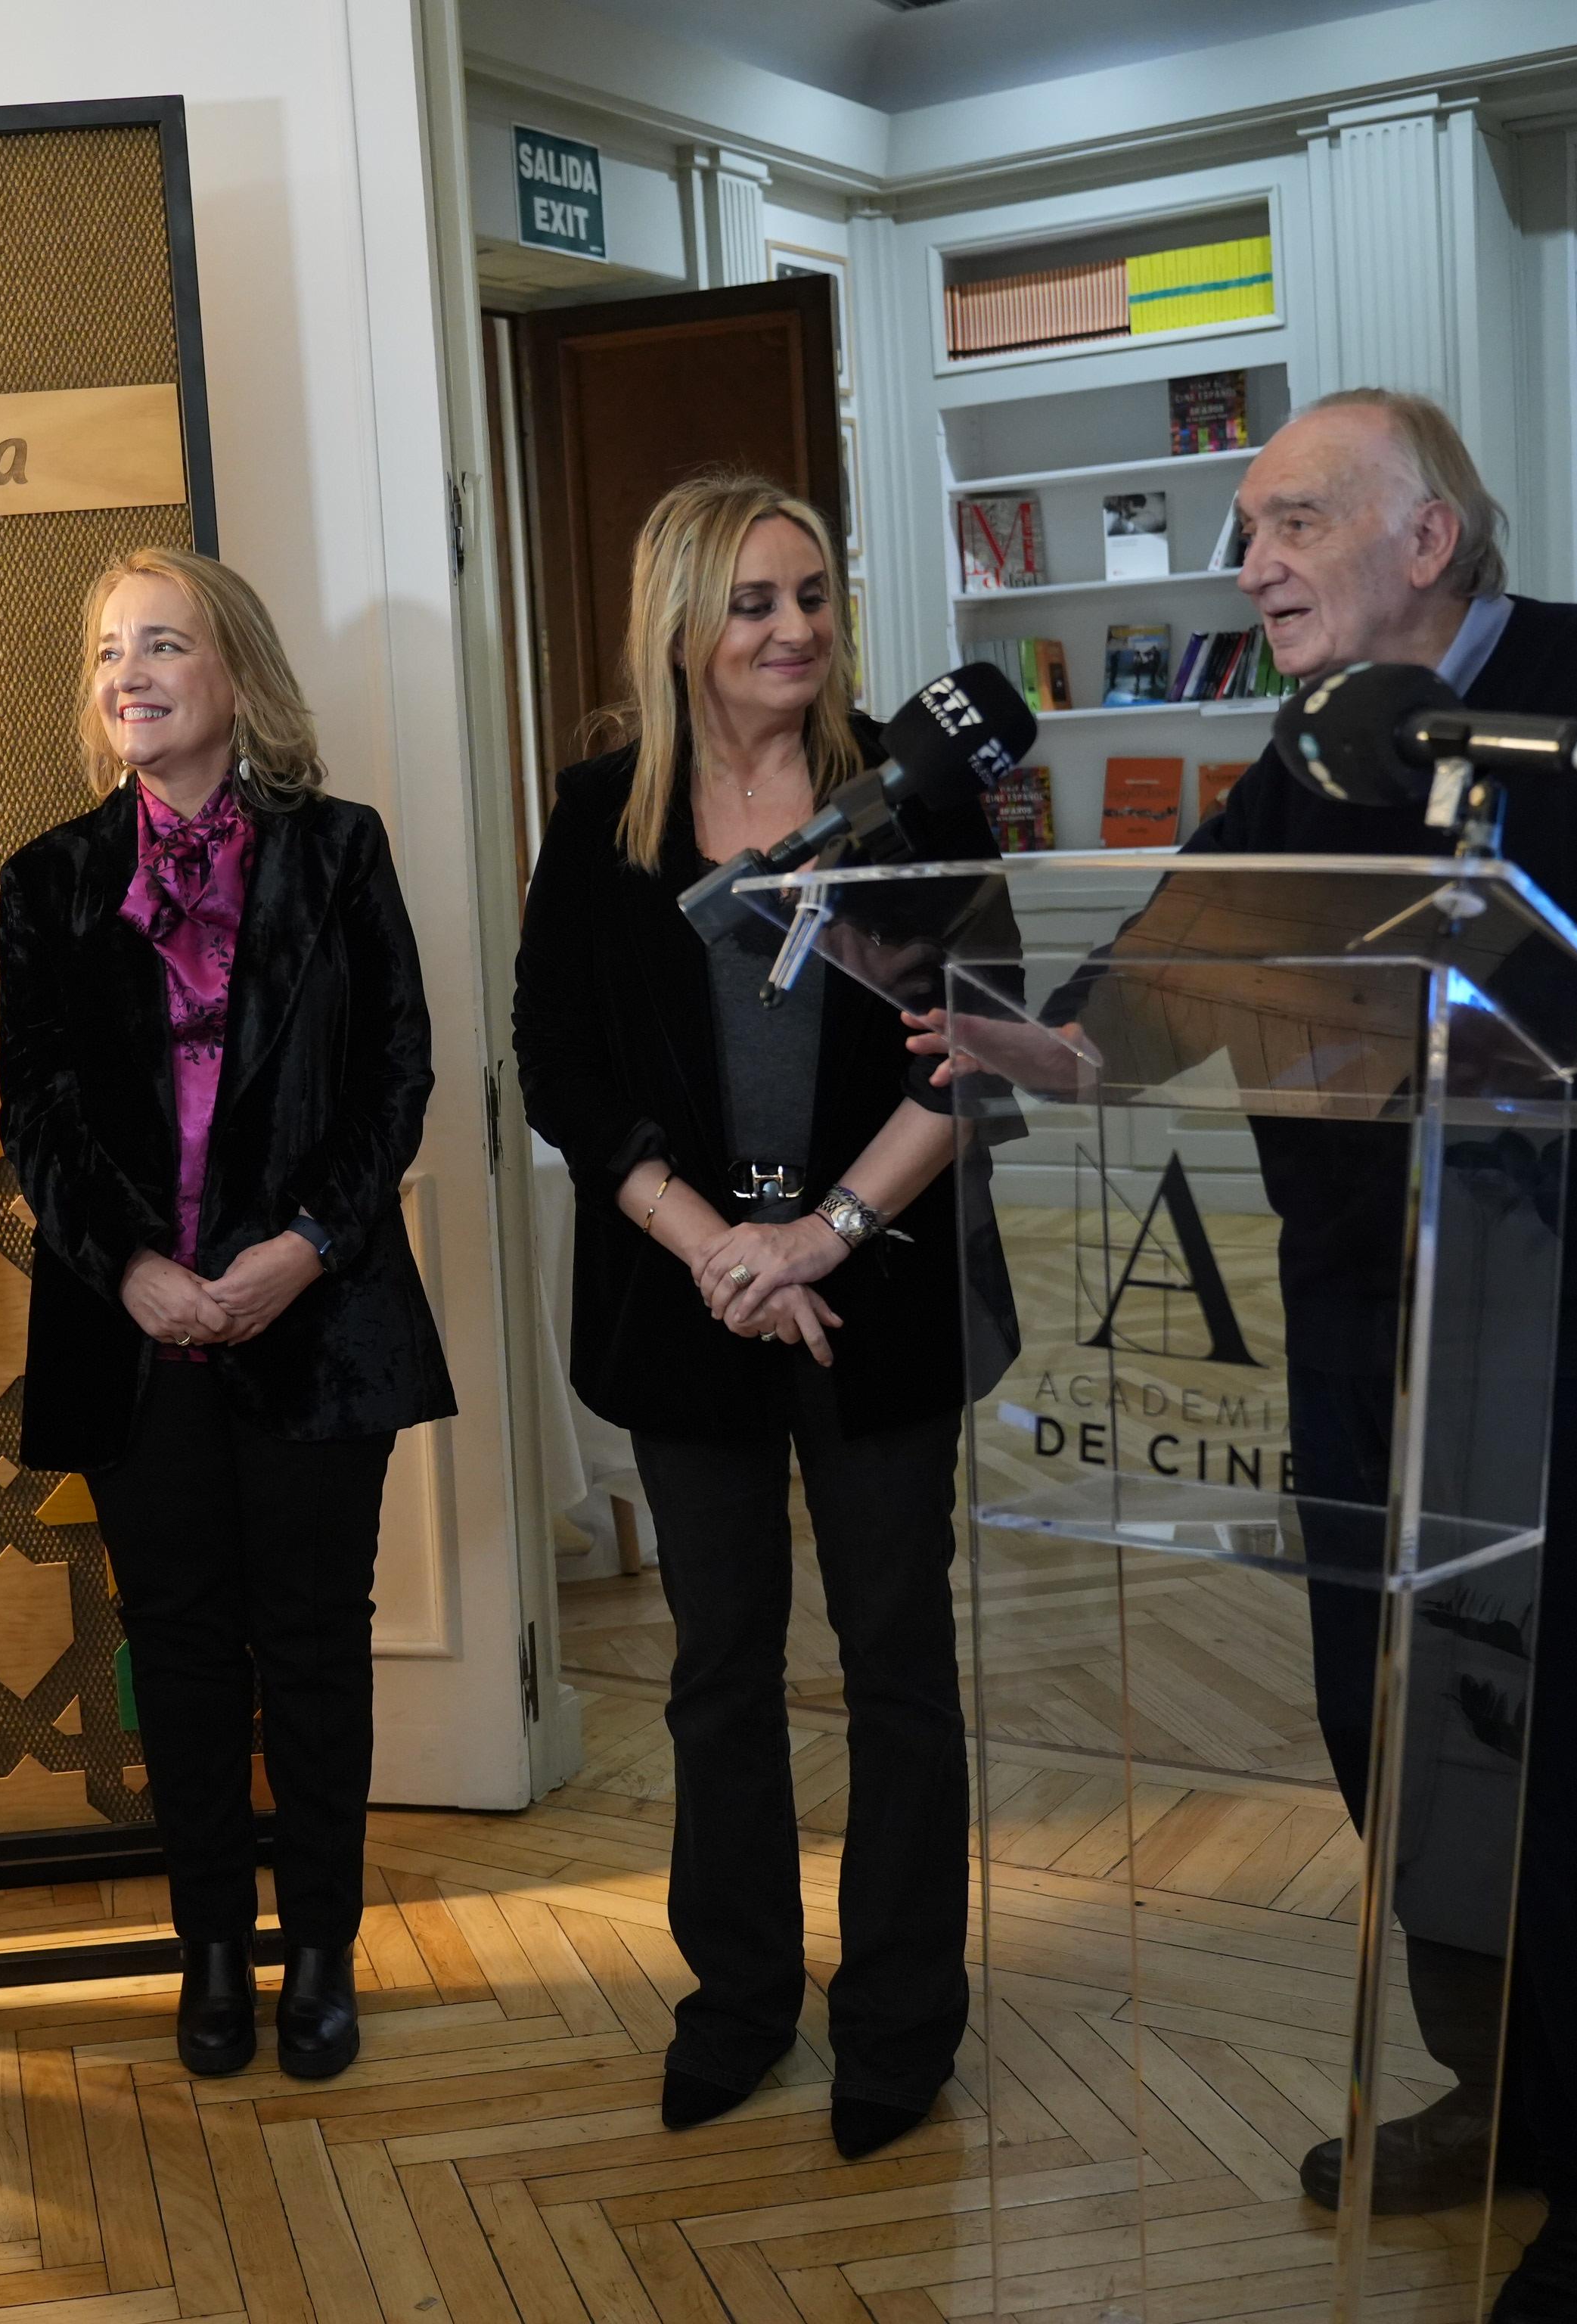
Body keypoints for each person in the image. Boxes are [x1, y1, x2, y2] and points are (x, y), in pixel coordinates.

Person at [924, 391, 1577, 2324]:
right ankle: (1497, 2099)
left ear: (1425, 535)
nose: (1248, 564)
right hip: (1364, 1333)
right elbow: (1190, 940)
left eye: (1286, 522)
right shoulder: (1313, 738)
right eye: (1243, 528)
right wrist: (1062, 1042)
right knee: (1398, 1748)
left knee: (1571, 1767)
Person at [512, 474, 1010, 2152]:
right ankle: (733, 2004)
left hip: (879, 1284)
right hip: (682, 1302)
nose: (790, 629)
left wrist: (819, 1234)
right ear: (676, 624)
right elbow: (558, 1064)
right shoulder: (598, 815)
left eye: (808, 595)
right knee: (717, 1669)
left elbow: (978, 1051)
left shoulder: (912, 793)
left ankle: (896, 2031)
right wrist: (713, 1243)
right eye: (750, 602)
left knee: (895, 1666)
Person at [0, 548, 452, 2083]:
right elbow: (37, 1116)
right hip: (132, 1332)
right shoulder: (47, 879)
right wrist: (136, 1270)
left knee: (313, 1645)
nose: (127, 675)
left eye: (162, 645)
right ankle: (211, 1951)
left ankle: (318, 1947)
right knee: (179, 1647)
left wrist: (302, 1249)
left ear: (235, 675)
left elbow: (396, 1073)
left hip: (315, 1320)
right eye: (107, 650)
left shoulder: (339, 852)